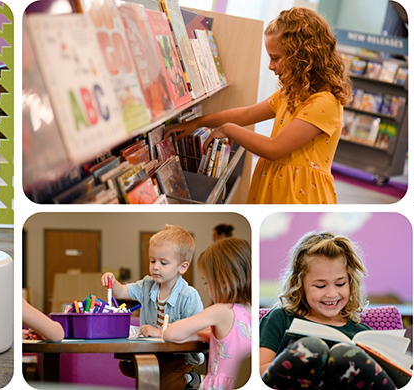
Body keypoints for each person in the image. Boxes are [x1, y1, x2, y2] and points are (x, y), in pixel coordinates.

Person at [164, 7, 350, 204]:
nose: (270, 66)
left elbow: (274, 148)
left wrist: (228, 129)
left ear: (302, 57)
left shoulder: (325, 102)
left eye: (276, 58)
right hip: (274, 186)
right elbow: (245, 114)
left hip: (299, 195)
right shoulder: (290, 93)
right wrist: (198, 122)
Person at [258, 232, 395, 389]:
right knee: (312, 348)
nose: (331, 294)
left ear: (351, 283)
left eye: (340, 284)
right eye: (320, 286)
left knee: (345, 356)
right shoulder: (279, 319)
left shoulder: (363, 334)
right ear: (300, 284)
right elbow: (259, 372)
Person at [102, 225, 203, 390]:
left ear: (182, 267)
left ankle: (191, 380)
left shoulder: (189, 295)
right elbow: (121, 291)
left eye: (163, 262)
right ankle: (179, 379)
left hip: (178, 356)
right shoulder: (147, 285)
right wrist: (112, 281)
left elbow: (199, 332)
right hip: (153, 352)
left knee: (160, 383)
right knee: (126, 366)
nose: (156, 266)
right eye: (152, 260)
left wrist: (161, 332)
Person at [163, 237, 252, 390]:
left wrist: (191, 332)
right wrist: (205, 335)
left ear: (223, 281)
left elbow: (170, 334)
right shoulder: (252, 311)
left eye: (206, 282)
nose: (205, 288)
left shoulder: (221, 311)